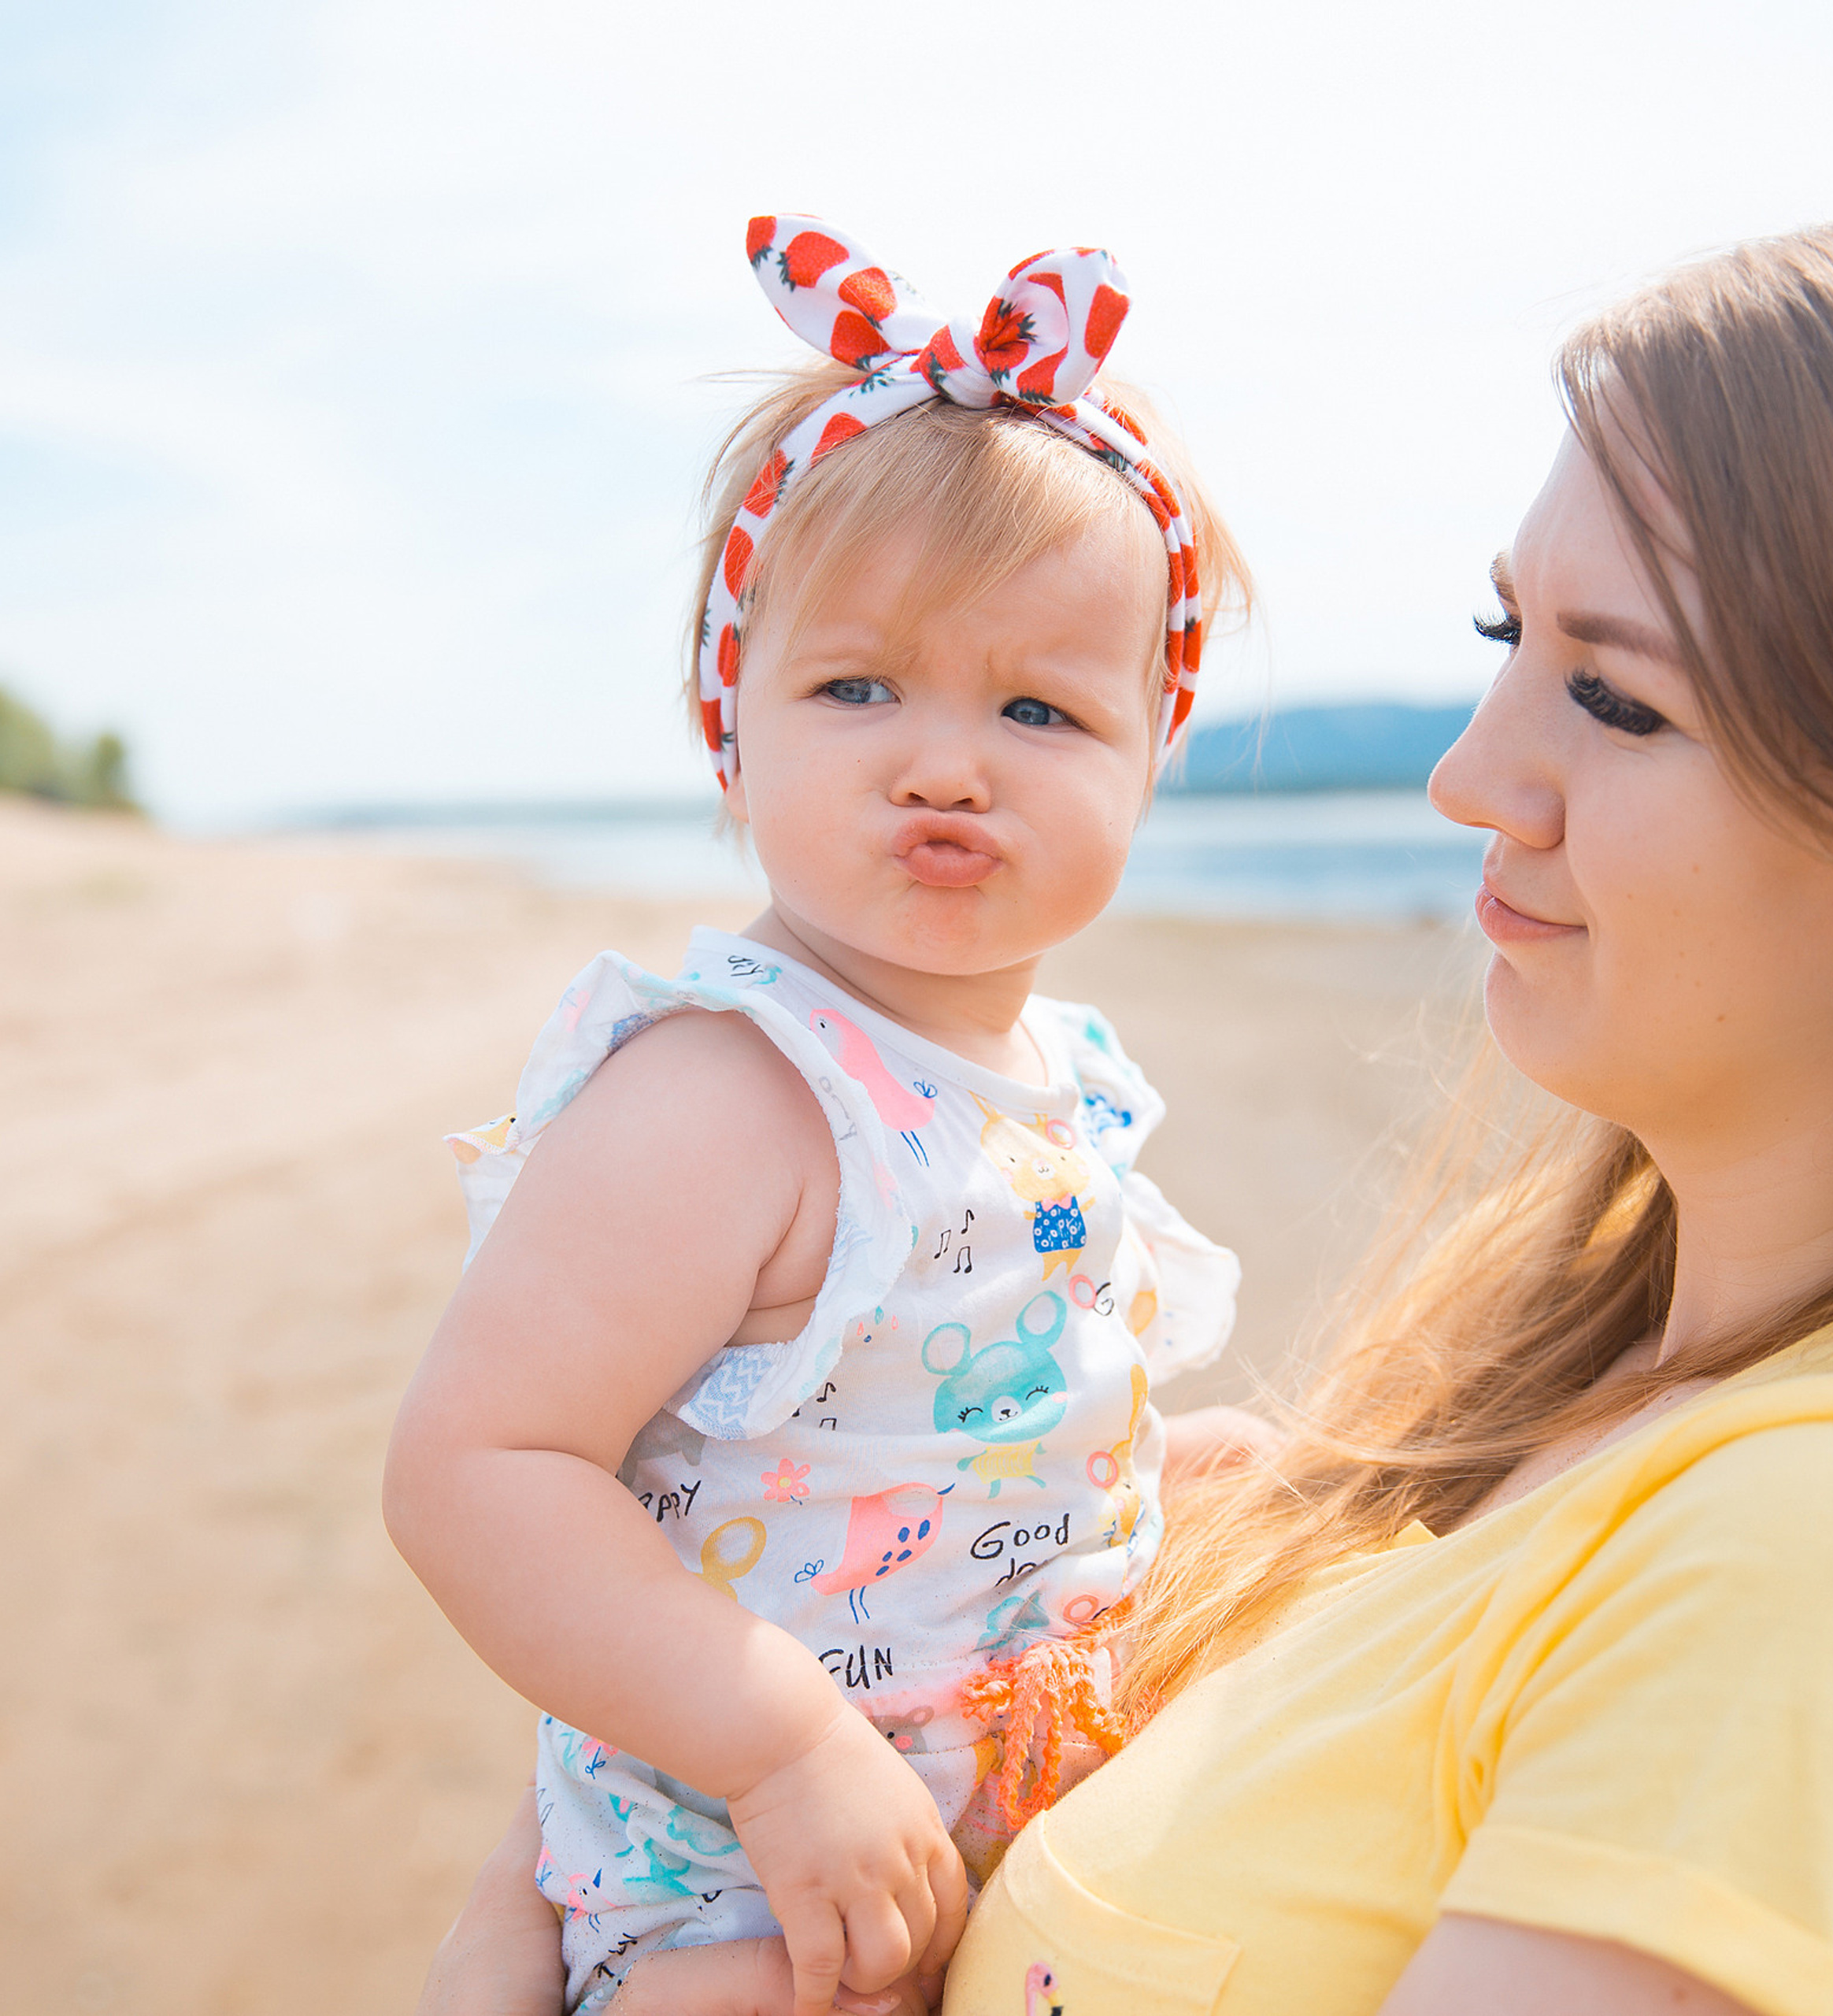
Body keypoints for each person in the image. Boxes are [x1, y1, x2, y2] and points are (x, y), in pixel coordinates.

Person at [422, 207, 1833, 2016]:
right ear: (735, 714)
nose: (1463, 771)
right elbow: (540, 1459)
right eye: (1503, 635)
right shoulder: (1558, 1375)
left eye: (1614, 695)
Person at [382, 215, 1269, 2016]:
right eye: (855, 685)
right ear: (734, 722)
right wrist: (781, 1747)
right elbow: (476, 1466)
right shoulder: (729, 1090)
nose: (943, 758)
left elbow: (963, 1415)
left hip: (1014, 1784)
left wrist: (1154, 1469)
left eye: (1037, 705)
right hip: (745, 1879)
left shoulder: (1061, 1075)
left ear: (1142, 759)